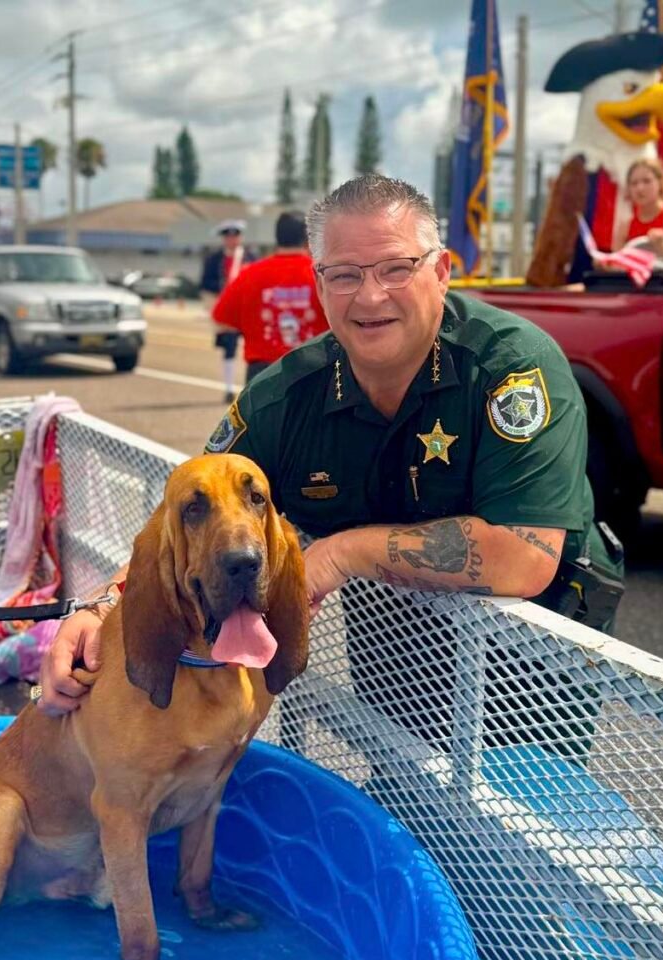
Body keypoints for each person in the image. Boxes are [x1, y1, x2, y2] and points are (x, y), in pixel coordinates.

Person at [39, 175, 623, 759]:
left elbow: (523, 555)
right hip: (395, 649)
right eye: (344, 275)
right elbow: (194, 514)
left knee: (519, 812)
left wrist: (342, 553)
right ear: (319, 284)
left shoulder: (510, 368)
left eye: (396, 269)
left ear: (442, 271)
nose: (370, 297)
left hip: (530, 669)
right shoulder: (284, 400)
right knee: (398, 786)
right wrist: (101, 607)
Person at [211, 211, 329, 384]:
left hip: (263, 376)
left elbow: (221, 319)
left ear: (277, 237)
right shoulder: (322, 275)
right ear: (307, 237)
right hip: (313, 371)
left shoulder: (251, 274)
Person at [198, 219, 255, 402]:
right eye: (228, 236)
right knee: (229, 347)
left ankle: (251, 388)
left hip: (247, 309)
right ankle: (229, 388)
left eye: (235, 235)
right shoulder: (214, 260)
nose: (232, 239)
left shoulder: (250, 257)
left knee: (253, 348)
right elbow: (205, 283)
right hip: (228, 309)